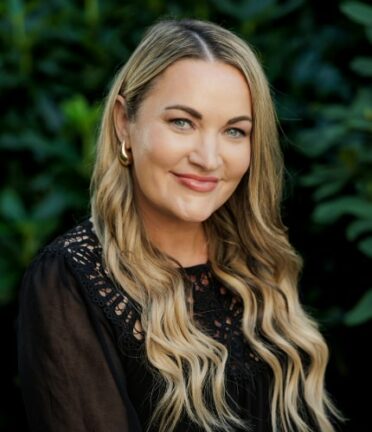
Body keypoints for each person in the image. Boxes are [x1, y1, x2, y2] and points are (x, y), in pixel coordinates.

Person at [16, 18, 342, 432]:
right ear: (123, 123)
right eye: (182, 122)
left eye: (234, 131)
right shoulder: (70, 280)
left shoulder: (256, 261)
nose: (209, 158)